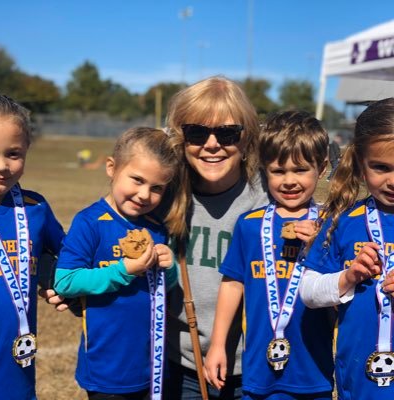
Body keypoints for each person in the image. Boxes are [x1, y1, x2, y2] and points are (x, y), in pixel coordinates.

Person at [205, 110, 335, 399]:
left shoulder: (332, 225)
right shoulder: (249, 225)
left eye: (300, 170)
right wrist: (217, 345)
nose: (289, 181)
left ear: (322, 167)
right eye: (278, 171)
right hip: (258, 374)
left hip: (314, 373)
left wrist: (320, 247)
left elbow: (340, 287)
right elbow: (233, 283)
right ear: (264, 169)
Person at [54, 127, 187, 400]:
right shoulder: (89, 222)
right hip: (107, 368)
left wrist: (169, 268)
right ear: (112, 168)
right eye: (136, 180)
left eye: (156, 188)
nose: (144, 195)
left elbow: (165, 288)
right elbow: (65, 282)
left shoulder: (157, 226)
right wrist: (124, 270)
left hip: (153, 364)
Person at [164, 76, 269, 399]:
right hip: (181, 368)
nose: (212, 144)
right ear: (180, 138)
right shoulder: (159, 195)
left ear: (246, 137)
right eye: (197, 132)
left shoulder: (271, 198)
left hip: (260, 369)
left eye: (227, 133)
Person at [300, 98, 394, 400]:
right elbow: (309, 291)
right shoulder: (344, 221)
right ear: (360, 165)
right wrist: (347, 278)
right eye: (381, 167)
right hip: (359, 381)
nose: (393, 181)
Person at [0, 92, 65, 400]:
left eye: (13, 153)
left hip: (15, 367)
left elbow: (65, 255)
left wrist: (56, 278)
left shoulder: (35, 208)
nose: (1, 166)